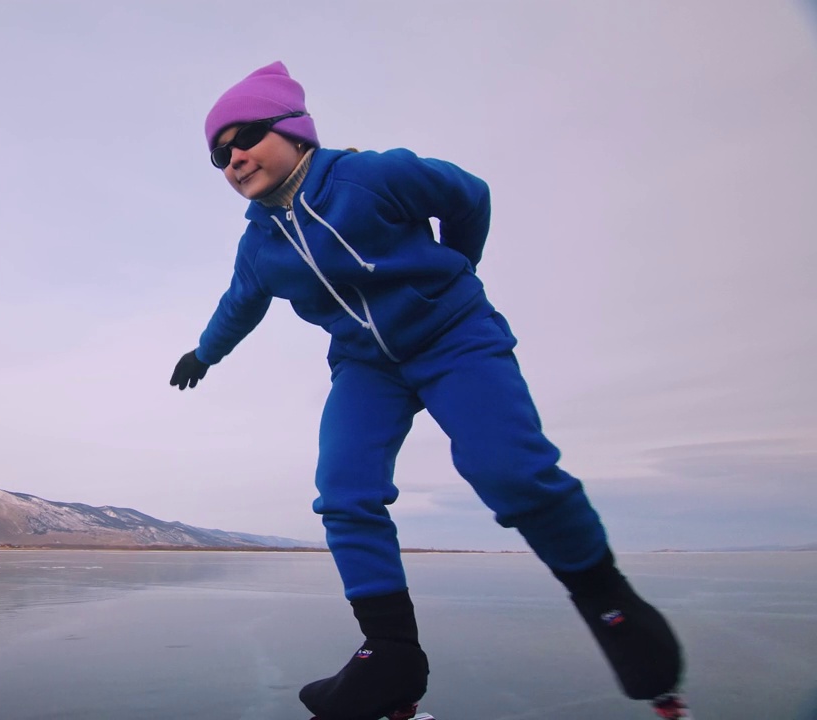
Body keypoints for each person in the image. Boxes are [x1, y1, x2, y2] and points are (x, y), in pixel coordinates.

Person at [169, 61, 686, 720]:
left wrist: (454, 274)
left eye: (246, 137)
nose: (234, 157)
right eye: (220, 154)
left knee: (510, 470)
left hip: (452, 336)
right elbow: (239, 304)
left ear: (294, 130)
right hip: (366, 367)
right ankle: (388, 653)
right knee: (345, 490)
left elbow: (467, 196)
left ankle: (608, 600)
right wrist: (204, 353)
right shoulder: (260, 244)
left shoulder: (369, 176)